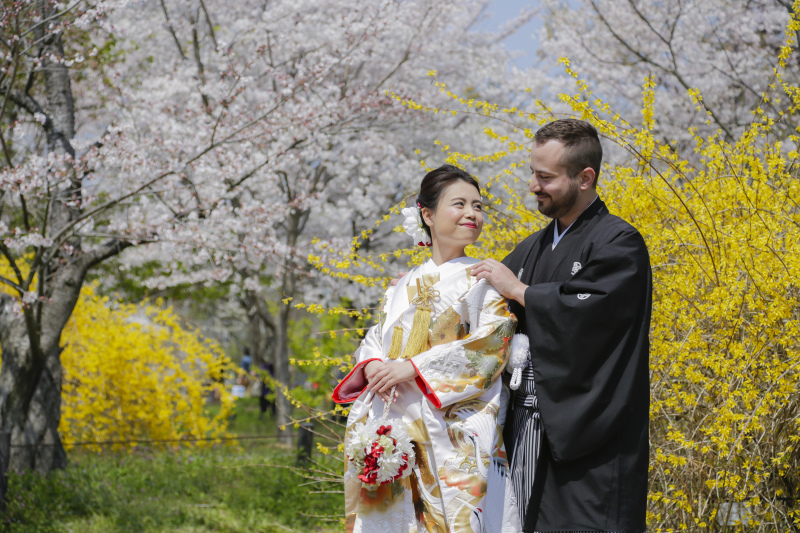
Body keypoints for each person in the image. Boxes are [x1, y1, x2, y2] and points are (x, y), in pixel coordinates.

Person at [471, 119, 651, 532]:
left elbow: (588, 314)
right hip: (526, 429)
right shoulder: (534, 245)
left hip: (591, 437)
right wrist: (429, 285)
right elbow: (486, 301)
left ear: (585, 177)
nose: (533, 185)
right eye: (533, 173)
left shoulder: (619, 243)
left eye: (545, 177)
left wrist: (522, 292)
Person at [333, 165, 518, 533]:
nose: (472, 214)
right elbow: (377, 336)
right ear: (427, 214)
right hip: (395, 422)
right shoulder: (402, 283)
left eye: (478, 206)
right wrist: (371, 366)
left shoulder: (483, 279)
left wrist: (413, 368)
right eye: (460, 204)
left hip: (450, 427)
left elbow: (493, 343)